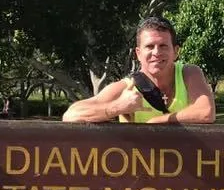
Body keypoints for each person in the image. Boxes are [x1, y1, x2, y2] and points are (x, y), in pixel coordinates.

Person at [62, 17, 216, 124]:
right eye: (149, 46)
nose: (156, 52)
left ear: (176, 51)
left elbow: (205, 112)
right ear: (138, 53)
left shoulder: (189, 74)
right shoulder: (126, 87)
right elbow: (71, 115)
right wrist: (118, 107)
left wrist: (155, 122)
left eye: (163, 46)